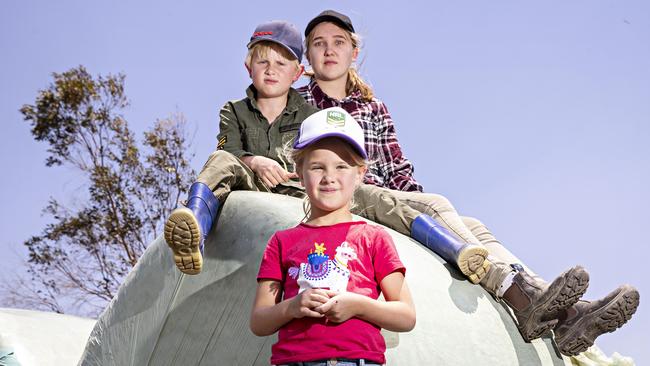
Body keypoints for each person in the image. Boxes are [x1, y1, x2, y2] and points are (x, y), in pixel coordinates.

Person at [297, 9, 640, 356]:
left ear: (353, 52)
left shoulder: (372, 107)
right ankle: (522, 295)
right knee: (436, 207)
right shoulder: (300, 105)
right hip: (346, 192)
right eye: (319, 44)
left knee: (470, 224)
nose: (329, 51)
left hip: (387, 194)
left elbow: (397, 165)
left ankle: (562, 309)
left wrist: (418, 202)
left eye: (338, 43)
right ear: (307, 55)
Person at [164, 19, 489, 285]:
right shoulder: (234, 110)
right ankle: (194, 226)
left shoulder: (308, 111)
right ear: (248, 66)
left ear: (296, 72)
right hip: (253, 181)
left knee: (377, 199)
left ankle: (454, 248)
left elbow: (328, 153)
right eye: (262, 61)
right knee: (219, 161)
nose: (271, 70)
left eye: (281, 63)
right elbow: (228, 148)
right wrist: (255, 161)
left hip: (303, 186)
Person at [250, 107, 415, 365]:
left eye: (341, 166)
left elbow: (406, 315)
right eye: (317, 167)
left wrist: (358, 305)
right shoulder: (281, 242)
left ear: (360, 174)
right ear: (300, 172)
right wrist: (292, 306)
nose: (329, 178)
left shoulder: (373, 237)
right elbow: (259, 321)